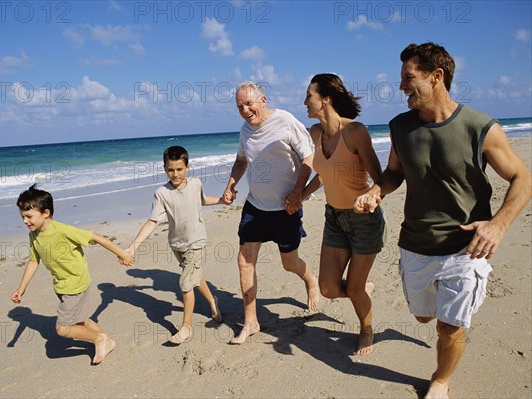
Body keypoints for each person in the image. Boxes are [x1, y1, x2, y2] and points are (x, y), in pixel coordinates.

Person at [354, 42, 531, 398]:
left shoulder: (480, 126)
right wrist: (377, 190)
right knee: (423, 318)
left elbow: (522, 177)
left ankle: (441, 379)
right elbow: (393, 174)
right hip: (416, 245)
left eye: (408, 78)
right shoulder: (400, 127)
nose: (401, 86)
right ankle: (441, 316)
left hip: (465, 250)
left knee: (449, 328)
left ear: (436, 77)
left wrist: (498, 224)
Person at [223, 81, 320, 345]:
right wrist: (231, 185)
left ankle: (310, 279)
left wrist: (298, 192)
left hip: (285, 208)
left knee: (289, 263)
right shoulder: (245, 130)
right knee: (245, 262)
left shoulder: (285, 121)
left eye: (249, 103)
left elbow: (309, 157)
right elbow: (242, 160)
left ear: (263, 100)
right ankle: (251, 321)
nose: (245, 110)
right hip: (255, 207)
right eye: (240, 106)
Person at [301, 73, 385, 355]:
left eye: (309, 95)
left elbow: (381, 178)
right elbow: (324, 174)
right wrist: (300, 194)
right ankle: (361, 289)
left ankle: (366, 329)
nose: (305, 102)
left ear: (326, 98)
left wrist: (373, 195)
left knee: (355, 289)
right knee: (327, 288)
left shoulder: (355, 132)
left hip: (364, 221)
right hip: (334, 218)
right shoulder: (314, 134)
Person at [11, 184, 133, 365]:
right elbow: (33, 261)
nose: (25, 221)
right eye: (23, 217)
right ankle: (105, 340)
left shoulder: (63, 230)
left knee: (63, 328)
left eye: (29, 216)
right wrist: (21, 289)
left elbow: (96, 237)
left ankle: (99, 340)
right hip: (61, 285)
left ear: (45, 213)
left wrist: (122, 253)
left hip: (75, 284)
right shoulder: (34, 235)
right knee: (80, 319)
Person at [123, 145, 223, 345]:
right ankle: (213, 301)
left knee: (186, 284)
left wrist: (222, 200)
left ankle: (186, 327)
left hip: (196, 242)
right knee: (194, 276)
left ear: (188, 167)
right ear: (164, 168)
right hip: (177, 244)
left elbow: (202, 200)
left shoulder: (196, 183)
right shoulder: (162, 193)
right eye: (170, 169)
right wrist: (133, 246)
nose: (175, 174)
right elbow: (152, 222)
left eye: (179, 169)